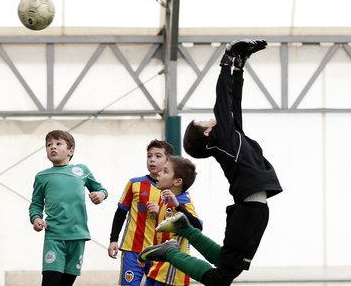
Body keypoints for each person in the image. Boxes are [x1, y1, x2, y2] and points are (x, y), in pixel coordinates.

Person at [137, 39, 283, 286]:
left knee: (226, 263)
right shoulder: (223, 139)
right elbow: (223, 102)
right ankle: (170, 252)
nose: (210, 119)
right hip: (250, 210)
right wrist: (225, 62)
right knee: (220, 277)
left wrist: (240, 66)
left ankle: (184, 229)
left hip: (252, 210)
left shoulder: (232, 136)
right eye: (204, 122)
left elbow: (233, 103)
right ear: (207, 134)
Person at [29, 130, 108, 286]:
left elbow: (102, 189)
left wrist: (100, 195)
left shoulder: (81, 171)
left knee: (66, 282)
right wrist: (36, 218)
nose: (53, 147)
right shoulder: (42, 176)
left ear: (71, 150)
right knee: (51, 280)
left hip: (78, 236)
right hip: (54, 236)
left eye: (58, 144)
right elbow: (36, 204)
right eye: (49, 145)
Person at [107, 139, 174, 286]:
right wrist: (113, 239)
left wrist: (161, 212)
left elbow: (180, 221)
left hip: (160, 251)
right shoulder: (135, 183)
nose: (152, 160)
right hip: (133, 249)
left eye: (157, 156)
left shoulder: (175, 189)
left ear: (168, 160)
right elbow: (120, 213)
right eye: (149, 156)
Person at [144, 155, 202, 286]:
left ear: (177, 182)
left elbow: (198, 227)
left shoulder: (183, 202)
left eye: (165, 171)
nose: (159, 173)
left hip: (172, 271)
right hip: (157, 267)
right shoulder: (164, 200)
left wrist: (177, 206)